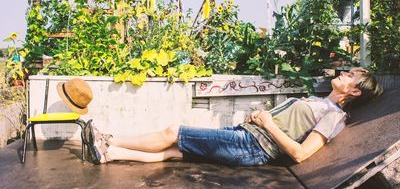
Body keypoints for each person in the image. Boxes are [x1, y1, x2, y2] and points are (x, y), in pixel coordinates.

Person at [84, 68, 383, 166]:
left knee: (174, 132)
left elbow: (301, 153)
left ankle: (109, 139)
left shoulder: (334, 116)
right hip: (249, 136)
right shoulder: (319, 101)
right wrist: (261, 117)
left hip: (254, 146)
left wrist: (266, 123)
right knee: (176, 152)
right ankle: (110, 153)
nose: (343, 73)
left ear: (355, 92)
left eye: (350, 75)